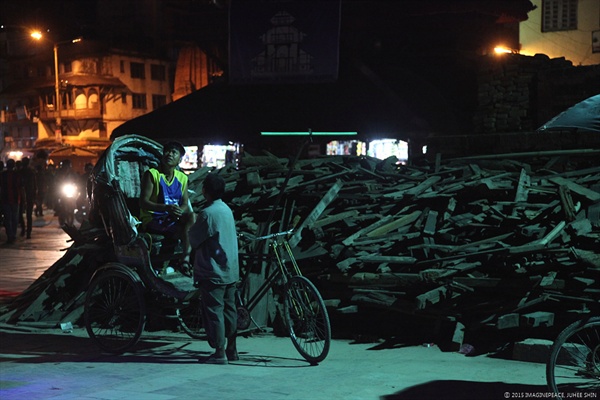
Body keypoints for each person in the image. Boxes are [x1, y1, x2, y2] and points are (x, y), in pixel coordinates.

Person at [189, 173, 239, 364]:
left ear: (205, 191)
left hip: (213, 270)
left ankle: (220, 353)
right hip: (230, 270)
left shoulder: (207, 214)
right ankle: (232, 349)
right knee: (229, 310)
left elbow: (194, 239)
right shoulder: (226, 209)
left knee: (215, 311)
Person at [139, 141, 194, 263]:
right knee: (186, 233)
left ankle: (186, 258)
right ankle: (182, 262)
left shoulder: (182, 178)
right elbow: (143, 203)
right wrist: (166, 208)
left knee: (193, 218)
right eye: (167, 151)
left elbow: (185, 203)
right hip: (152, 219)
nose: (169, 154)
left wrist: (180, 210)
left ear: (179, 160)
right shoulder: (152, 174)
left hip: (171, 218)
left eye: (174, 152)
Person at [0, 159, 21, 244]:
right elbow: (21, 188)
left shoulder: (2, 175)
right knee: (14, 218)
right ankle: (13, 235)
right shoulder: (17, 175)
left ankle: (10, 235)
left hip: (5, 199)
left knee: (8, 218)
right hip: (15, 199)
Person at [19, 157, 37, 239]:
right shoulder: (31, 172)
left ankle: (24, 230)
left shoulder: (20, 172)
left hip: (21, 195)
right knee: (28, 215)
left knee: (20, 214)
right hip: (28, 195)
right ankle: (28, 231)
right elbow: (35, 185)